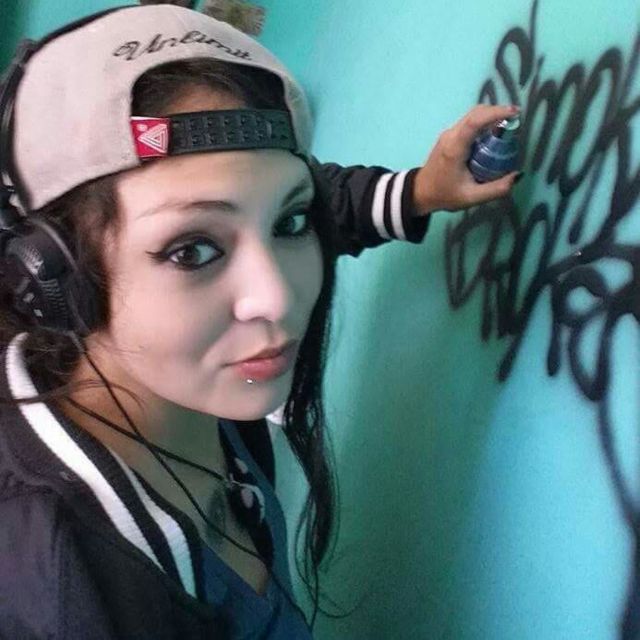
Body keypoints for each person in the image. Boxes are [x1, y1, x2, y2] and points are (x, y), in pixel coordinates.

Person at [0, 4, 520, 639]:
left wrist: (419, 192)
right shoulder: (55, 594)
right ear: (56, 279)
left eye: (289, 223)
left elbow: (317, 204)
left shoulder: (207, 380)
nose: (276, 298)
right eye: (192, 251)